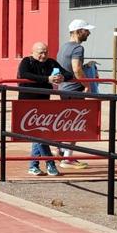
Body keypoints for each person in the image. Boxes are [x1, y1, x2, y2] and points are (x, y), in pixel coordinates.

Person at [17, 41, 63, 176]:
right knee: (39, 134)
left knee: (38, 134)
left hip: (44, 103)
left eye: (45, 52)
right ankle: (50, 163)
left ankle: (33, 165)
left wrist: (61, 77)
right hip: (28, 105)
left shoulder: (51, 62)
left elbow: (65, 72)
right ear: (32, 53)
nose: (43, 55)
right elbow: (25, 74)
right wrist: (47, 79)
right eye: (40, 52)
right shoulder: (26, 61)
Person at [54, 20, 92, 167]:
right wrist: (87, 84)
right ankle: (67, 158)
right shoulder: (78, 48)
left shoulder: (63, 47)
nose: (89, 33)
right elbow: (76, 69)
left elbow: (67, 67)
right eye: (86, 30)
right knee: (75, 123)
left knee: (66, 121)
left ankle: (62, 151)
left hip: (63, 88)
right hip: (74, 89)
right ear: (78, 31)